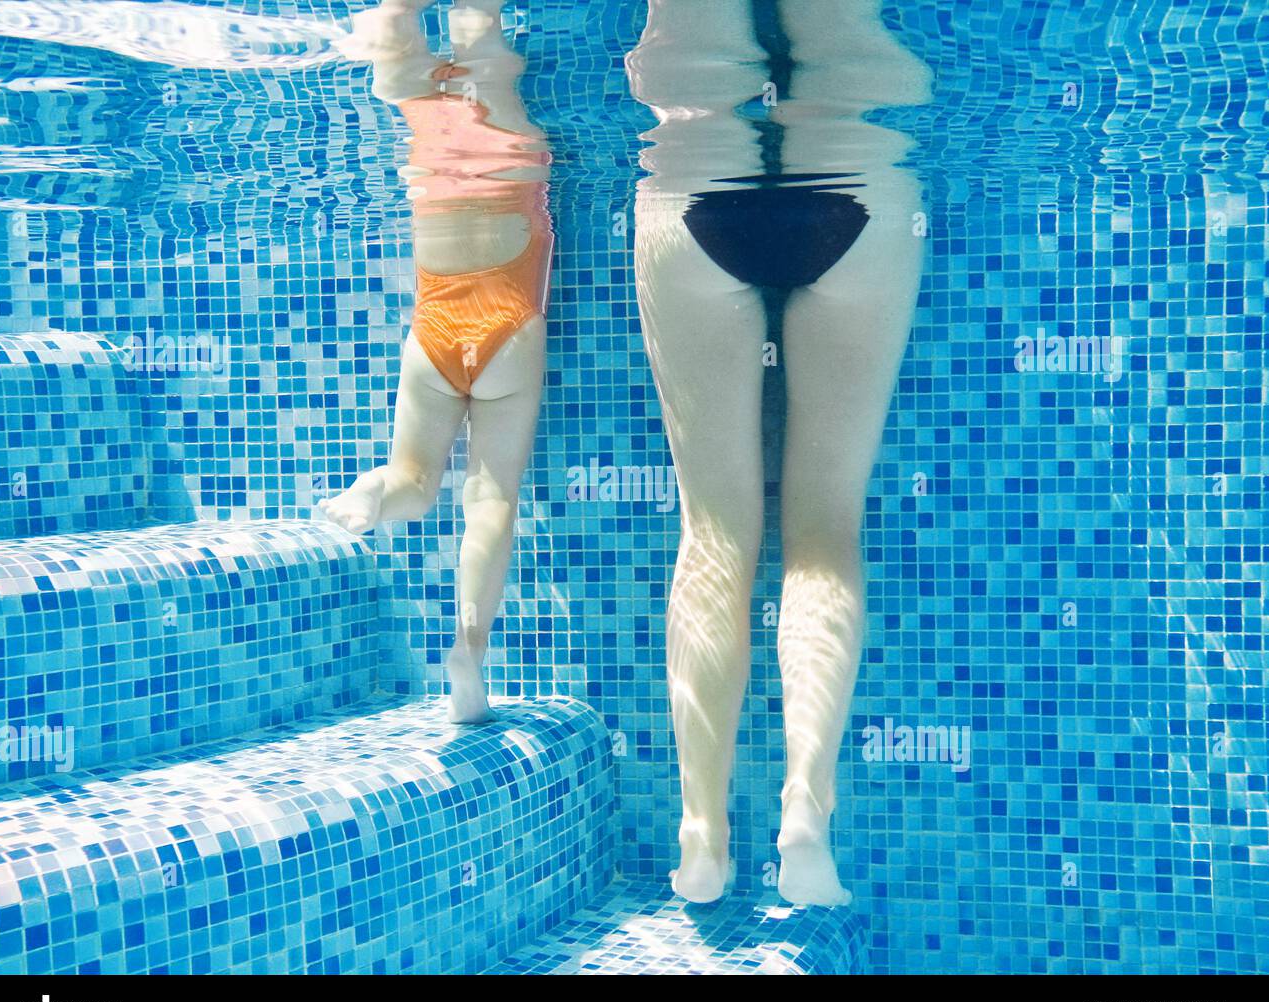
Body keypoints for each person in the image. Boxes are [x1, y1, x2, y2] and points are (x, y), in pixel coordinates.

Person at [626, 0, 930, 905]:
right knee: (824, 522)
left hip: (693, 190)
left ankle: (702, 837)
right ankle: (805, 814)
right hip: (859, 190)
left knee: (715, 529)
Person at [321, 0, 552, 725]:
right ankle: (469, 650)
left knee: (416, 483)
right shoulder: (516, 140)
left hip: (433, 330)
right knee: (489, 499)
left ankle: (378, 491)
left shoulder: (427, 133)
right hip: (508, 326)